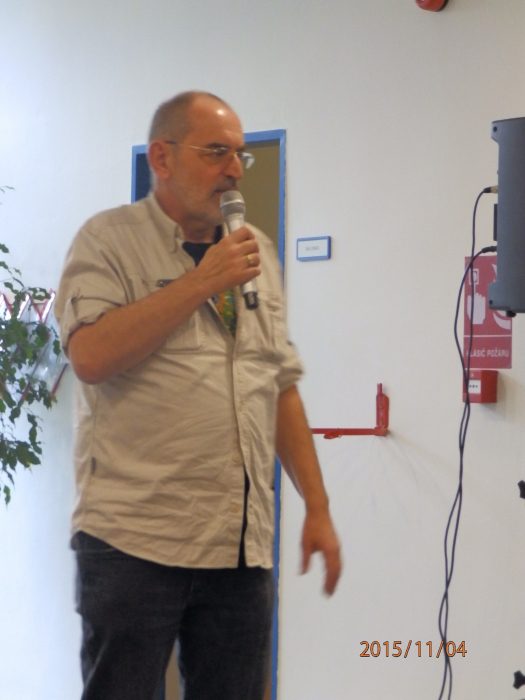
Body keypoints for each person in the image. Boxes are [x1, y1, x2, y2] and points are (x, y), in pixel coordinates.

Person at [55, 90, 341, 700]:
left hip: (237, 547)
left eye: (240, 155)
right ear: (161, 157)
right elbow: (91, 357)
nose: (234, 169)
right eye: (216, 152)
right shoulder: (106, 241)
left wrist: (317, 506)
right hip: (133, 541)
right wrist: (202, 280)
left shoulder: (256, 251)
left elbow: (278, 384)